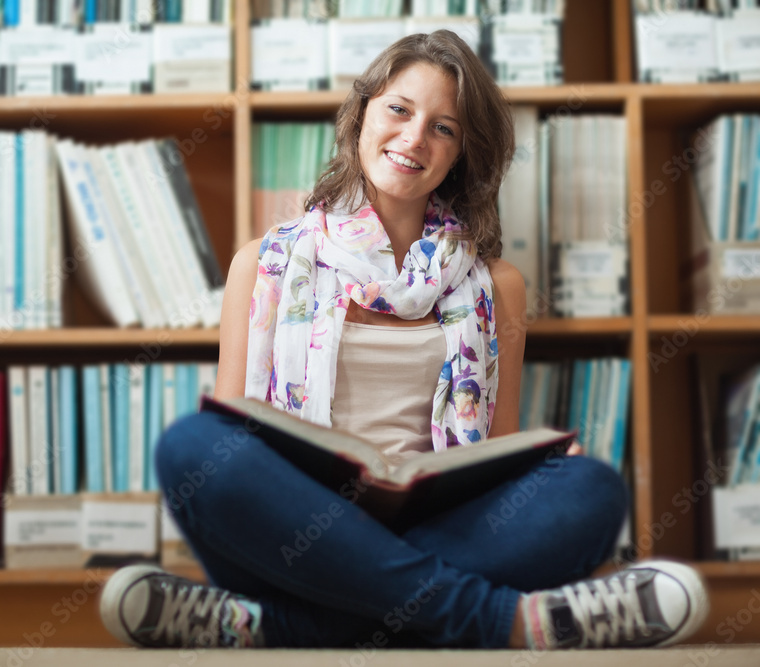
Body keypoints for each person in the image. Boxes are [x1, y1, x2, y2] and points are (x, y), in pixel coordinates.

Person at [99, 31, 709, 651]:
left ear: (461, 154)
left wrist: (539, 470)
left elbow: (496, 460)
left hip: (441, 527)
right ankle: (505, 621)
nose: (415, 138)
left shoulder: (498, 286)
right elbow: (237, 438)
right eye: (399, 109)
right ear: (361, 114)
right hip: (300, 531)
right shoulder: (263, 264)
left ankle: (276, 627)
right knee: (195, 447)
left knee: (591, 491)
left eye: (444, 128)